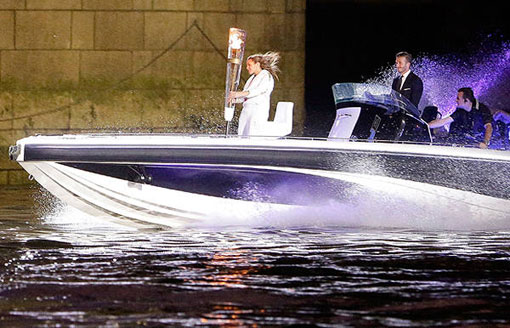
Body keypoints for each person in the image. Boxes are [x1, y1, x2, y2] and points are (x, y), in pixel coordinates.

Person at [228, 52, 280, 136]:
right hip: (247, 109)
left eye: (249, 65)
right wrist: (235, 100)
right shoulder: (251, 78)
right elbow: (245, 96)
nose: (247, 67)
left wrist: (238, 94)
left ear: (257, 64)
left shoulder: (266, 76)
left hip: (257, 109)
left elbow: (258, 91)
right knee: (242, 133)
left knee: (253, 133)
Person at [428, 87, 493, 149]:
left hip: (483, 141)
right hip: (470, 141)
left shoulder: (482, 109)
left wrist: (485, 142)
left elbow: (489, 127)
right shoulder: (460, 111)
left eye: (458, 98)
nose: (456, 100)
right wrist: (427, 125)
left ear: (466, 100)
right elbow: (444, 121)